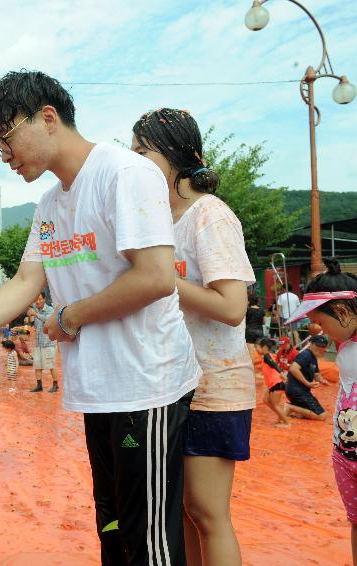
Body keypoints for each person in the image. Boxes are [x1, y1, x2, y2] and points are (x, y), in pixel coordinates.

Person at [0, 70, 200, 565]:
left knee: (150, 542)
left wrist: (69, 317)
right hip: (100, 389)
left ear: (48, 118)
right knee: (112, 527)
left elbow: (156, 276)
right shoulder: (50, 204)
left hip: (147, 384)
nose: (5, 155)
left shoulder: (124, 174)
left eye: (5, 139)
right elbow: (26, 283)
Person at [132, 107, 256, 566]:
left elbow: (230, 307)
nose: (137, 161)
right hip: (170, 385)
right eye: (134, 152)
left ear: (180, 156)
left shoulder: (211, 215)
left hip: (215, 387)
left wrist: (161, 277)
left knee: (207, 512)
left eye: (144, 151)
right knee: (178, 511)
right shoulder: (160, 221)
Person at [283, 258, 357, 564]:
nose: (317, 329)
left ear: (340, 311)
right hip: (346, 452)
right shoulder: (345, 343)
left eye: (320, 321)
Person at [284, 334, 329, 420]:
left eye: (323, 347)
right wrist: (307, 383)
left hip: (297, 391)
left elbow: (316, 374)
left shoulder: (313, 357)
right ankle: (290, 408)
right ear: (310, 343)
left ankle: (295, 409)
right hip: (297, 391)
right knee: (321, 416)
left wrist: (322, 380)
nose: (320, 348)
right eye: (318, 345)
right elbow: (293, 368)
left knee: (307, 413)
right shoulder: (306, 355)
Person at [26, 291, 58, 392]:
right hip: (38, 343)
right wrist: (29, 318)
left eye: (40, 299)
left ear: (44, 299)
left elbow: (47, 321)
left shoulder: (50, 309)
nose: (38, 301)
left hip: (48, 343)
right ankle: (39, 385)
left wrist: (35, 314)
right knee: (37, 365)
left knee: (51, 365)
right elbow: (32, 321)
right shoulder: (34, 308)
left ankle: (55, 385)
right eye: (36, 299)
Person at [256, 338, 290, 428]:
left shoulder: (267, 356)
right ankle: (280, 415)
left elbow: (274, 365)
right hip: (273, 384)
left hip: (277, 384)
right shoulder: (267, 356)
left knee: (275, 404)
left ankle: (287, 422)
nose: (256, 349)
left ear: (264, 347)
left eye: (258, 347)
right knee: (266, 400)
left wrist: (282, 373)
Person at [245, 295, 265, 361]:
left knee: (251, 351)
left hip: (249, 331)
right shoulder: (261, 310)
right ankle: (262, 366)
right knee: (260, 350)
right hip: (259, 331)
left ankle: (252, 368)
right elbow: (264, 322)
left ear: (249, 301)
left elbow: (244, 321)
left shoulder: (247, 310)